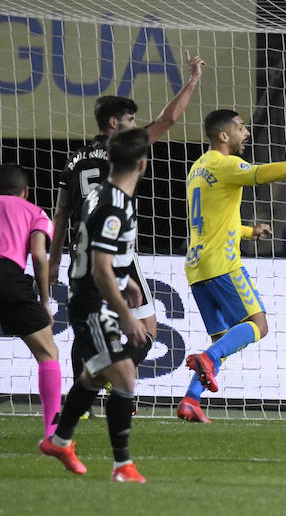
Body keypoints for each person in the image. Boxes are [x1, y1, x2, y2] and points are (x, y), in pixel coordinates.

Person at [49, 54, 206, 362]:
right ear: (114, 123)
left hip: (80, 253)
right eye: (131, 120)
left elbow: (61, 213)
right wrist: (193, 80)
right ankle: (112, 377)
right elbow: (168, 120)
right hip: (116, 248)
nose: (134, 125)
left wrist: (53, 261)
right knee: (147, 331)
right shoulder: (124, 150)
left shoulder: (74, 160)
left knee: (87, 329)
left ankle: (91, 383)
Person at [177, 109, 286, 423]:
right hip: (222, 264)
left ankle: (191, 400)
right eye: (240, 127)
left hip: (196, 266)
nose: (246, 133)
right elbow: (261, 174)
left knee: (223, 341)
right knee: (258, 325)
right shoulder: (226, 164)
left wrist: (248, 231)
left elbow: (213, 220)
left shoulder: (198, 168)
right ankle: (205, 360)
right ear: (224, 135)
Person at [39, 129, 153, 482]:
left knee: (95, 375)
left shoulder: (100, 194)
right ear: (142, 165)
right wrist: (126, 314)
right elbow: (101, 267)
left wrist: (126, 280)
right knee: (125, 374)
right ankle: (122, 466)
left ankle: (60, 440)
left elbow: (100, 253)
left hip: (94, 296)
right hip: (92, 302)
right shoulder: (114, 206)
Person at [0, 165, 62, 439]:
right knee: (48, 353)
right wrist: (45, 301)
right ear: (25, 191)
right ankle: (52, 433)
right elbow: (38, 256)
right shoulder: (35, 212)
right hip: (9, 278)